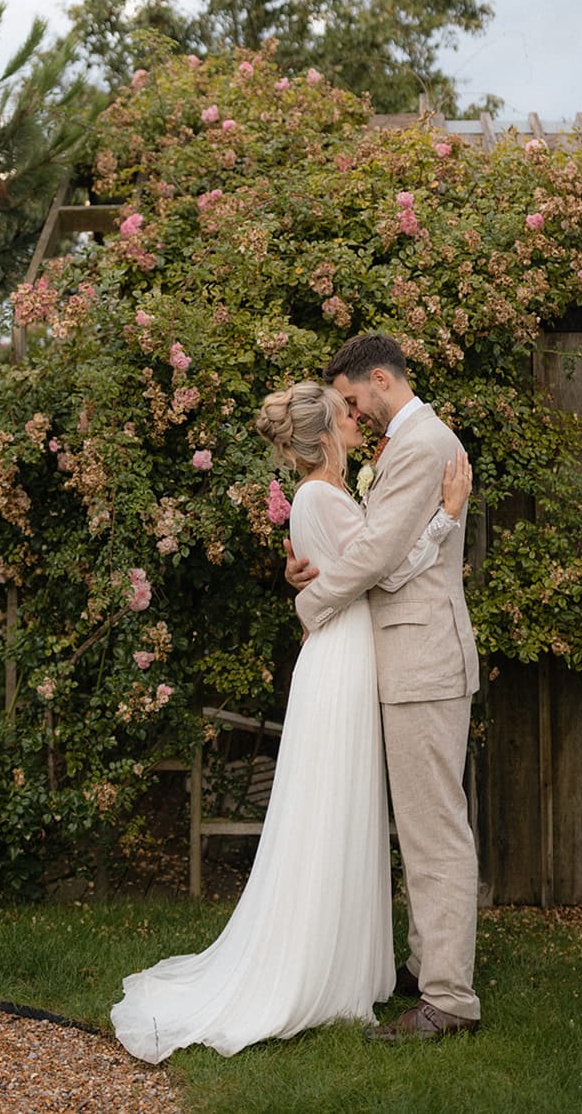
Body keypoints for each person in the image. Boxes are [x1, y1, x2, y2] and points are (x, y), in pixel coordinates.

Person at [110, 380, 470, 1063]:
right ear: (326, 430)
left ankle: (347, 961)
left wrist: (309, 580)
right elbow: (385, 572)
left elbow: (348, 567)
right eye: (345, 411)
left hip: (345, 654)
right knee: (329, 811)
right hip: (341, 662)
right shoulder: (320, 497)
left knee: (338, 810)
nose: (356, 416)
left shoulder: (323, 495)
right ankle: (314, 967)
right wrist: (446, 517)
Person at [286, 333, 481, 1042]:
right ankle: (427, 968)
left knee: (434, 831)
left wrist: (310, 602)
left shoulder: (422, 444)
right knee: (422, 826)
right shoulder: (407, 445)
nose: (353, 413)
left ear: (378, 379)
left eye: (351, 398)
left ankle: (449, 999)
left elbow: (378, 557)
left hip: (424, 659)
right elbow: (371, 546)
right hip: (408, 658)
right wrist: (308, 567)